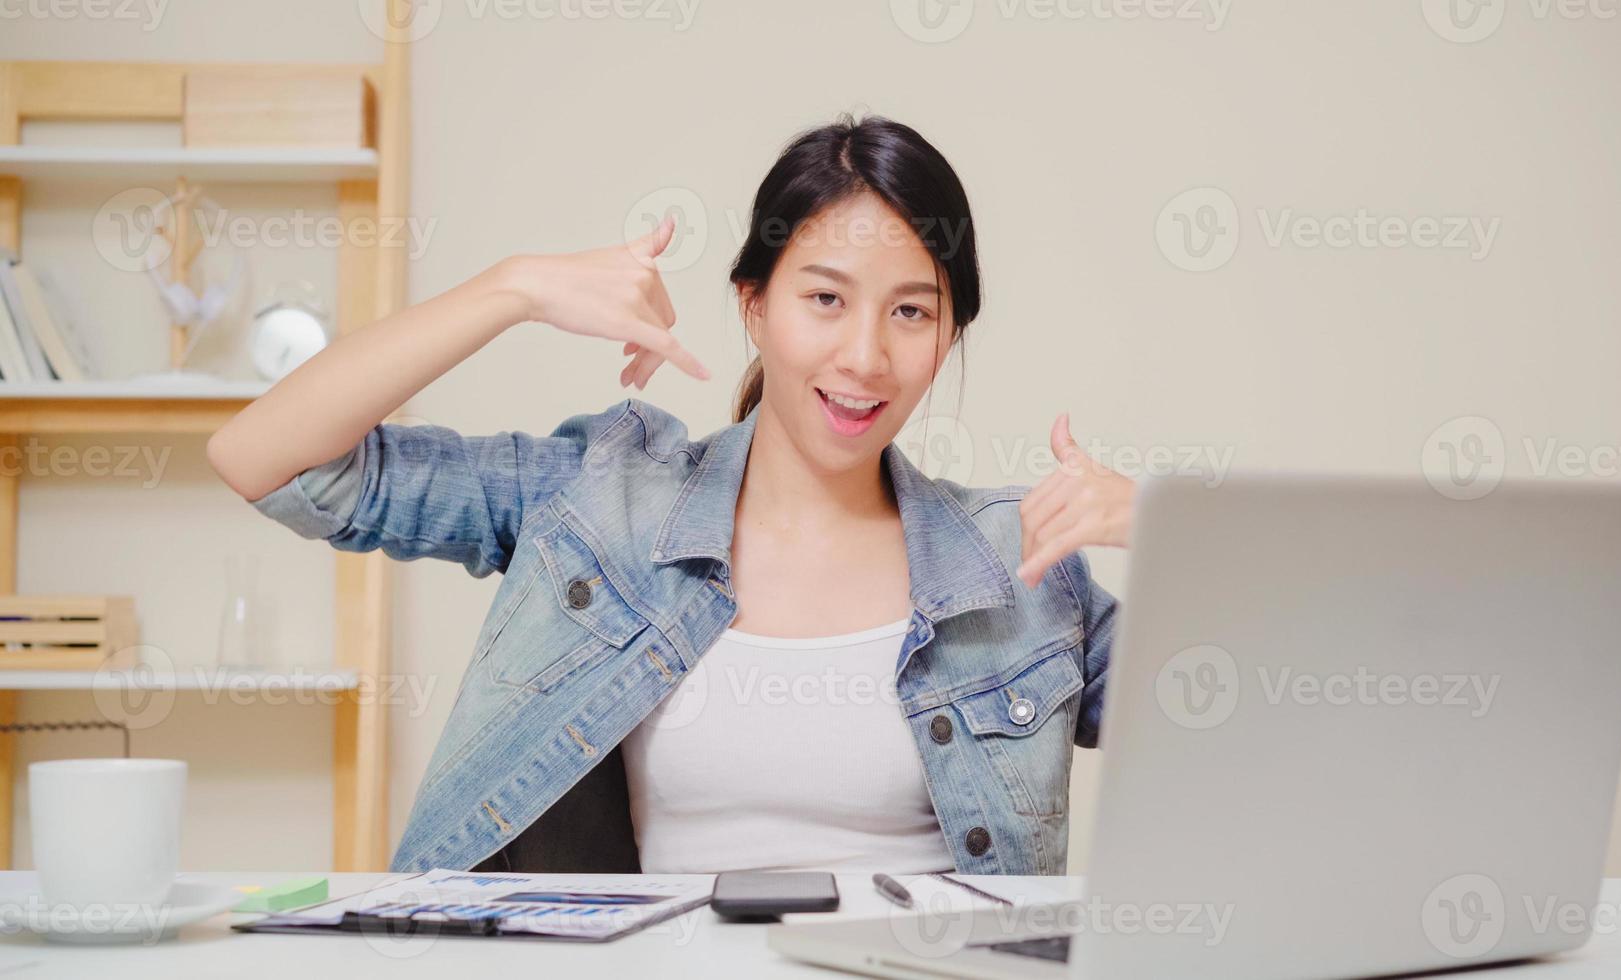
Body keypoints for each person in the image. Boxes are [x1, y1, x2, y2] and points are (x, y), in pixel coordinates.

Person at [208, 114, 1136, 876]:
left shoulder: (1019, 558)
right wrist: (514, 288)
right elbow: (271, 462)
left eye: (910, 311)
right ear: (753, 304)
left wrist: (1163, 529)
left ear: (947, 335)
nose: (865, 356)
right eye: (824, 299)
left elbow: (1249, 721)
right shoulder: (605, 500)